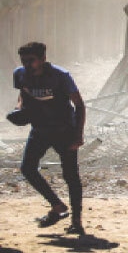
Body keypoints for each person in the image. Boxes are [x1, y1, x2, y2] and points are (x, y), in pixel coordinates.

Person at [13, 42, 86, 235]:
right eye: (24, 60)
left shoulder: (60, 76)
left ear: (43, 59)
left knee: (71, 176)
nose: (27, 64)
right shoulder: (20, 74)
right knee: (27, 168)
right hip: (40, 129)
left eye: (31, 60)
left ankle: (76, 221)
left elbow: (79, 104)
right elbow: (23, 93)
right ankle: (57, 205)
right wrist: (19, 109)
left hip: (64, 130)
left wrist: (78, 134)